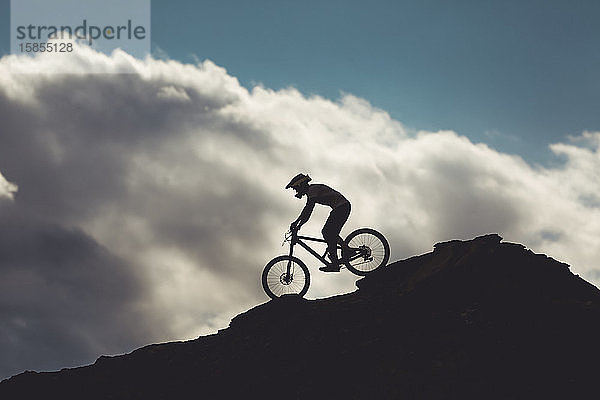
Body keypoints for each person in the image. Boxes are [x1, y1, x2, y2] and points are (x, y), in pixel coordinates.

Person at [285, 173, 351, 272]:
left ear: (300, 185)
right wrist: (298, 224)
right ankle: (346, 250)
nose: (296, 191)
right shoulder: (311, 192)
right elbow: (307, 211)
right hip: (341, 207)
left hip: (341, 207)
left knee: (327, 232)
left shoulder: (312, 190)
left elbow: (308, 209)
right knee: (330, 233)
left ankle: (335, 262)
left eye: (296, 188)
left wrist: (297, 223)